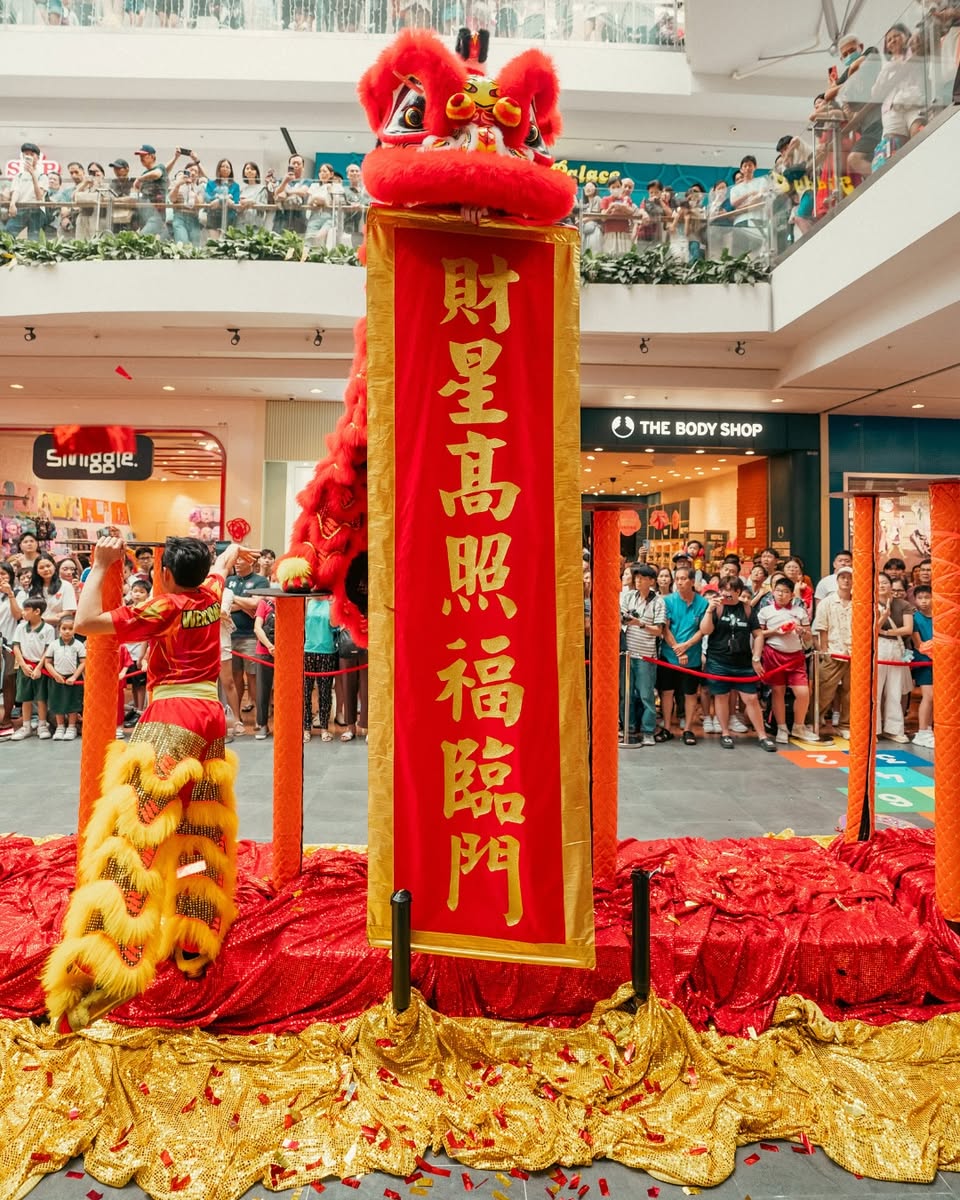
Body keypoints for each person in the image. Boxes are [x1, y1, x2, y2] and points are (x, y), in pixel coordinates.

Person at [42, 535, 243, 1033]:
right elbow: (223, 563)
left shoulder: (165, 607)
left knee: (135, 838)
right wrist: (230, 550)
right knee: (199, 829)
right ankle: (193, 938)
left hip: (171, 717)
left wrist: (100, 566)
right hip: (211, 718)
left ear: (166, 574)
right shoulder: (212, 592)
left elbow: (87, 623)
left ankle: (108, 969)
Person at [699, 577, 777, 751]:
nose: (726, 593)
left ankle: (762, 736)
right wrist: (709, 611)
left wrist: (756, 658)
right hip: (718, 660)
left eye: (731, 590)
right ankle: (725, 733)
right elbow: (705, 630)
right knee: (721, 696)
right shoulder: (716, 607)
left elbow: (758, 634)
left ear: (738, 591)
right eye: (723, 589)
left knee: (751, 698)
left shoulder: (747, 609)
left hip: (743, 662)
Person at [755, 574, 818, 743]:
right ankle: (781, 728)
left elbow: (808, 637)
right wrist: (775, 631)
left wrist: (802, 632)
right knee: (778, 692)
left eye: (785, 592)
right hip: (773, 654)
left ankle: (799, 727)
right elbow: (759, 634)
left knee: (803, 693)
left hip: (796, 656)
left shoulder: (799, 611)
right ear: (773, 592)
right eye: (778, 591)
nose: (781, 595)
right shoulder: (765, 611)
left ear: (792, 595)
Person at [656, 565, 707, 745]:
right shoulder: (668, 601)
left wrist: (686, 646)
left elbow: (702, 630)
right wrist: (677, 648)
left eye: (683, 579)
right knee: (667, 692)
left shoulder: (702, 603)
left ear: (692, 581)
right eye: (677, 579)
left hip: (692, 655)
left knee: (690, 694)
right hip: (669, 655)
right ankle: (667, 728)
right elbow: (665, 628)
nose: (679, 582)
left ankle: (688, 730)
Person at [620, 563, 665, 747]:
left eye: (642, 578)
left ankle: (648, 730)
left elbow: (659, 630)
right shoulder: (629, 596)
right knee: (626, 693)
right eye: (636, 577)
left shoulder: (658, 601)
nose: (638, 581)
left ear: (651, 581)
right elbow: (620, 618)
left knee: (646, 695)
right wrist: (626, 620)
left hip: (646, 655)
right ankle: (628, 728)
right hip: (626, 653)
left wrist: (640, 624)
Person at [226, 552, 268, 725]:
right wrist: (244, 604)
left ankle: (260, 720)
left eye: (240, 559)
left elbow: (256, 604)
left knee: (253, 678)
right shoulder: (229, 581)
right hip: (229, 636)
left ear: (250, 561)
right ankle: (237, 719)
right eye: (235, 559)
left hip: (250, 637)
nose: (236, 562)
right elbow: (223, 605)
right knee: (234, 678)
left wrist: (231, 598)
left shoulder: (260, 581)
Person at [812, 563, 852, 738]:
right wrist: (824, 651)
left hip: (854, 653)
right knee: (824, 689)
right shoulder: (826, 602)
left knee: (851, 692)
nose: (846, 581)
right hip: (833, 651)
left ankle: (846, 724)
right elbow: (822, 628)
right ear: (837, 580)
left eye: (849, 578)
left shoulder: (859, 602)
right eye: (843, 577)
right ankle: (814, 720)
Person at [875, 571, 914, 743]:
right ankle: (873, 729)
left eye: (885, 582)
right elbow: (870, 630)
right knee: (875, 690)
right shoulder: (870, 603)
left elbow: (908, 629)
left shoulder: (903, 604)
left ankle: (894, 729)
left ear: (891, 585)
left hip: (896, 647)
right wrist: (883, 616)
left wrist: (886, 632)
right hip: (878, 647)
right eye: (878, 583)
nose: (882, 585)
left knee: (894, 690)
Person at [10, 596, 54, 741]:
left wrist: (39, 668)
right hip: (25, 666)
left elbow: (48, 650)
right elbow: (16, 647)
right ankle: (26, 726)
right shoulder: (20, 627)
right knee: (25, 698)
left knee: (41, 698)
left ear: (37, 611)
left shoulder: (48, 629)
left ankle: (42, 725)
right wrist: (23, 665)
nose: (23, 612)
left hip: (40, 667)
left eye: (26, 609)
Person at [42, 614, 86, 740]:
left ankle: (71, 727)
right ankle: (60, 727)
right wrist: (55, 675)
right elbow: (47, 662)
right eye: (64, 628)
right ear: (59, 629)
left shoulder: (79, 645)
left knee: (73, 704)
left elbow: (83, 662)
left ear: (75, 630)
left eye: (70, 628)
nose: (67, 631)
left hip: (73, 680)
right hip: (57, 680)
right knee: (58, 703)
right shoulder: (53, 645)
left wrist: (74, 677)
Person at [304, 596, 337, 741]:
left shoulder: (330, 602)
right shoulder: (307, 601)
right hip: (308, 650)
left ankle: (324, 728)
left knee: (325, 692)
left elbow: (334, 624)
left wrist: (333, 606)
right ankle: (306, 728)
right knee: (306, 692)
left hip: (327, 651)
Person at [0, 561, 23, 737]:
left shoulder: (18, 593)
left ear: (10, 575)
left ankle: (7, 719)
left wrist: (10, 594)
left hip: (9, 644)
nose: (0, 577)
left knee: (9, 679)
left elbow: (18, 615)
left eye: (3, 573)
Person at [911, 584, 934, 748]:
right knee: (929, 696)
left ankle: (930, 729)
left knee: (936, 698)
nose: (924, 601)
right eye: (920, 598)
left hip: (941, 662)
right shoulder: (915, 618)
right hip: (924, 661)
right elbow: (918, 644)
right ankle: (922, 731)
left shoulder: (940, 617)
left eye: (927, 597)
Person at [29, 552, 77, 629]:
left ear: (54, 566)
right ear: (37, 571)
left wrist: (39, 620)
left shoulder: (66, 586)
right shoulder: (32, 588)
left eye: (48, 566)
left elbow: (68, 612)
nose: (46, 569)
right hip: (36, 629)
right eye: (41, 568)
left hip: (58, 629)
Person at [253, 593, 276, 740]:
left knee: (287, 691)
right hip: (264, 652)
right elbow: (257, 628)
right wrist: (270, 646)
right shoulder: (264, 603)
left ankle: (287, 724)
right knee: (262, 689)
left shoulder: (292, 601)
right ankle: (262, 724)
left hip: (287, 653)